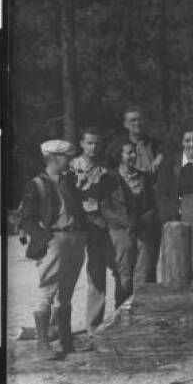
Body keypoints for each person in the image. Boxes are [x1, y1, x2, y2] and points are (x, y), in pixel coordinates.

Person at [18, 140, 87, 359]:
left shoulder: (69, 182)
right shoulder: (36, 184)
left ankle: (66, 341)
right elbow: (26, 219)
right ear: (55, 158)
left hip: (75, 238)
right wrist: (45, 239)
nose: (70, 161)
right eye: (67, 157)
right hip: (55, 239)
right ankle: (42, 344)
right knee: (47, 291)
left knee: (66, 292)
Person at [106, 106, 164, 282]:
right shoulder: (117, 147)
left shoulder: (156, 145)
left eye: (140, 119)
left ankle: (144, 304)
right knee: (124, 272)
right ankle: (123, 304)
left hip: (148, 210)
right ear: (125, 124)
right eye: (132, 120)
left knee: (147, 266)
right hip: (123, 219)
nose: (137, 123)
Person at [100, 140, 157, 311]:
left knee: (143, 274)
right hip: (120, 231)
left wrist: (143, 221)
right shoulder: (108, 177)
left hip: (142, 230)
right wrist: (126, 222)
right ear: (119, 155)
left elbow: (152, 206)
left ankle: (140, 314)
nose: (133, 155)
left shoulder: (144, 176)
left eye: (134, 152)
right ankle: (121, 313)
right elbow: (104, 207)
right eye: (128, 152)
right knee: (124, 276)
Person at [69, 126, 115, 335]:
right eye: (89, 143)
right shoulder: (70, 166)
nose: (93, 147)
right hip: (75, 224)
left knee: (97, 272)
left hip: (97, 225)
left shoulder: (104, 170)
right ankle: (55, 325)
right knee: (67, 274)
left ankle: (93, 325)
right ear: (81, 144)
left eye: (97, 143)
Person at [155, 125, 193, 224]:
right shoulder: (172, 163)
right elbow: (160, 194)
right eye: (187, 141)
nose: (192, 144)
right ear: (182, 143)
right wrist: (175, 210)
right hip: (176, 219)